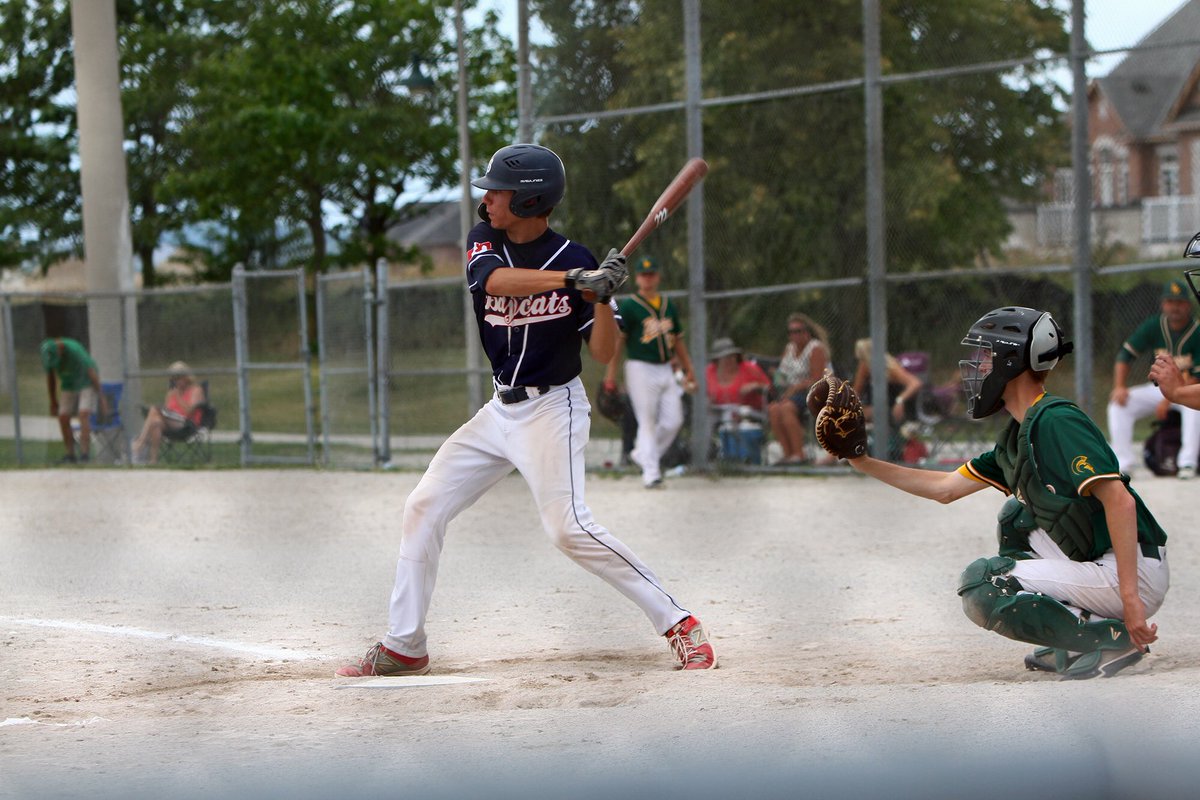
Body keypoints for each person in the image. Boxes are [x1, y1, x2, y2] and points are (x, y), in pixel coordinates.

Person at [336, 143, 715, 678]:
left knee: (568, 528)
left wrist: (601, 297)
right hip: (498, 412)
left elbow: (604, 352)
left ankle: (680, 623)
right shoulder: (485, 240)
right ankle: (405, 644)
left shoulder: (577, 261)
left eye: (498, 190)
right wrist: (572, 283)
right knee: (423, 505)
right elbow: (495, 282)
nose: (487, 198)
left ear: (531, 198)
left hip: (552, 411)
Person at [838, 306, 1168, 679]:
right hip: (1104, 564)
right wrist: (862, 461)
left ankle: (1109, 639)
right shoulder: (1016, 436)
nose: (975, 366)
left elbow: (1120, 501)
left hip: (1133, 572)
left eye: (985, 356)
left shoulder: (1057, 420)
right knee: (1016, 517)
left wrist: (1130, 598)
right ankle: (1081, 634)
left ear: (1012, 362)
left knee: (984, 583)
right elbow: (945, 489)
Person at [603, 255, 696, 489]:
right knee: (647, 421)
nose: (648, 278)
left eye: (651, 273)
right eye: (644, 274)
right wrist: (610, 375)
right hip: (640, 368)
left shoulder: (668, 305)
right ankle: (652, 474)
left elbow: (679, 342)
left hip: (666, 368)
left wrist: (689, 369)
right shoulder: (630, 306)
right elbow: (618, 343)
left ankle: (642, 455)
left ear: (658, 276)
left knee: (675, 420)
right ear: (638, 279)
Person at [1106, 278, 1200, 480]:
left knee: (1194, 409)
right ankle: (1123, 463)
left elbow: (1195, 379)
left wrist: (1171, 398)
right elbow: (1125, 355)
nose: (1175, 307)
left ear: (1188, 305)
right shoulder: (1154, 325)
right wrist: (1119, 386)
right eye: (1170, 301)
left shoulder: (1197, 330)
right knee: (1119, 404)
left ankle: (1187, 462)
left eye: (1179, 302)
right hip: (1159, 388)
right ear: (1163, 304)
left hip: (1188, 388)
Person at [767, 312, 831, 464]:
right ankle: (789, 454)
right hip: (792, 392)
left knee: (786, 408)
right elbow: (783, 376)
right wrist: (775, 375)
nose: (794, 335)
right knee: (774, 409)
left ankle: (799, 453)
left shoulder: (815, 348)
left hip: (814, 391)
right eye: (791, 332)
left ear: (806, 333)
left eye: (798, 331)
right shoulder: (789, 349)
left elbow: (817, 378)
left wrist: (795, 388)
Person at [40, 337, 107, 464]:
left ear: (60, 349)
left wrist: (102, 397)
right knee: (63, 417)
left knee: (83, 414)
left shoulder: (75, 351)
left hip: (87, 382)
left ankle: (85, 455)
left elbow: (91, 373)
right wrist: (53, 400)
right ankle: (70, 455)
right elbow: (51, 378)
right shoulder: (48, 354)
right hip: (69, 383)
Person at [706, 336, 771, 463]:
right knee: (706, 420)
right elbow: (702, 394)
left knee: (739, 420)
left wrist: (755, 386)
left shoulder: (748, 368)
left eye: (732, 355)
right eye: (725, 357)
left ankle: (744, 459)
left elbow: (769, 389)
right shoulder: (709, 372)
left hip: (749, 412)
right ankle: (705, 457)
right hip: (719, 413)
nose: (730, 359)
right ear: (717, 360)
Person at [131, 361, 206, 465]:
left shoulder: (196, 390)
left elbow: (189, 412)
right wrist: (172, 395)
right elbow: (167, 410)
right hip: (172, 422)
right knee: (155, 422)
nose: (176, 382)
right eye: (173, 379)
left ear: (186, 377)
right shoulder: (172, 391)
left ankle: (140, 443)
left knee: (154, 408)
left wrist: (178, 397)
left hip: (187, 424)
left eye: (178, 378)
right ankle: (153, 461)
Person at [850, 338, 923, 425]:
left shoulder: (890, 368)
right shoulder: (864, 368)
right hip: (876, 406)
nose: (860, 362)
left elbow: (916, 383)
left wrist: (900, 400)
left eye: (861, 359)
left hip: (894, 408)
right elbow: (855, 393)